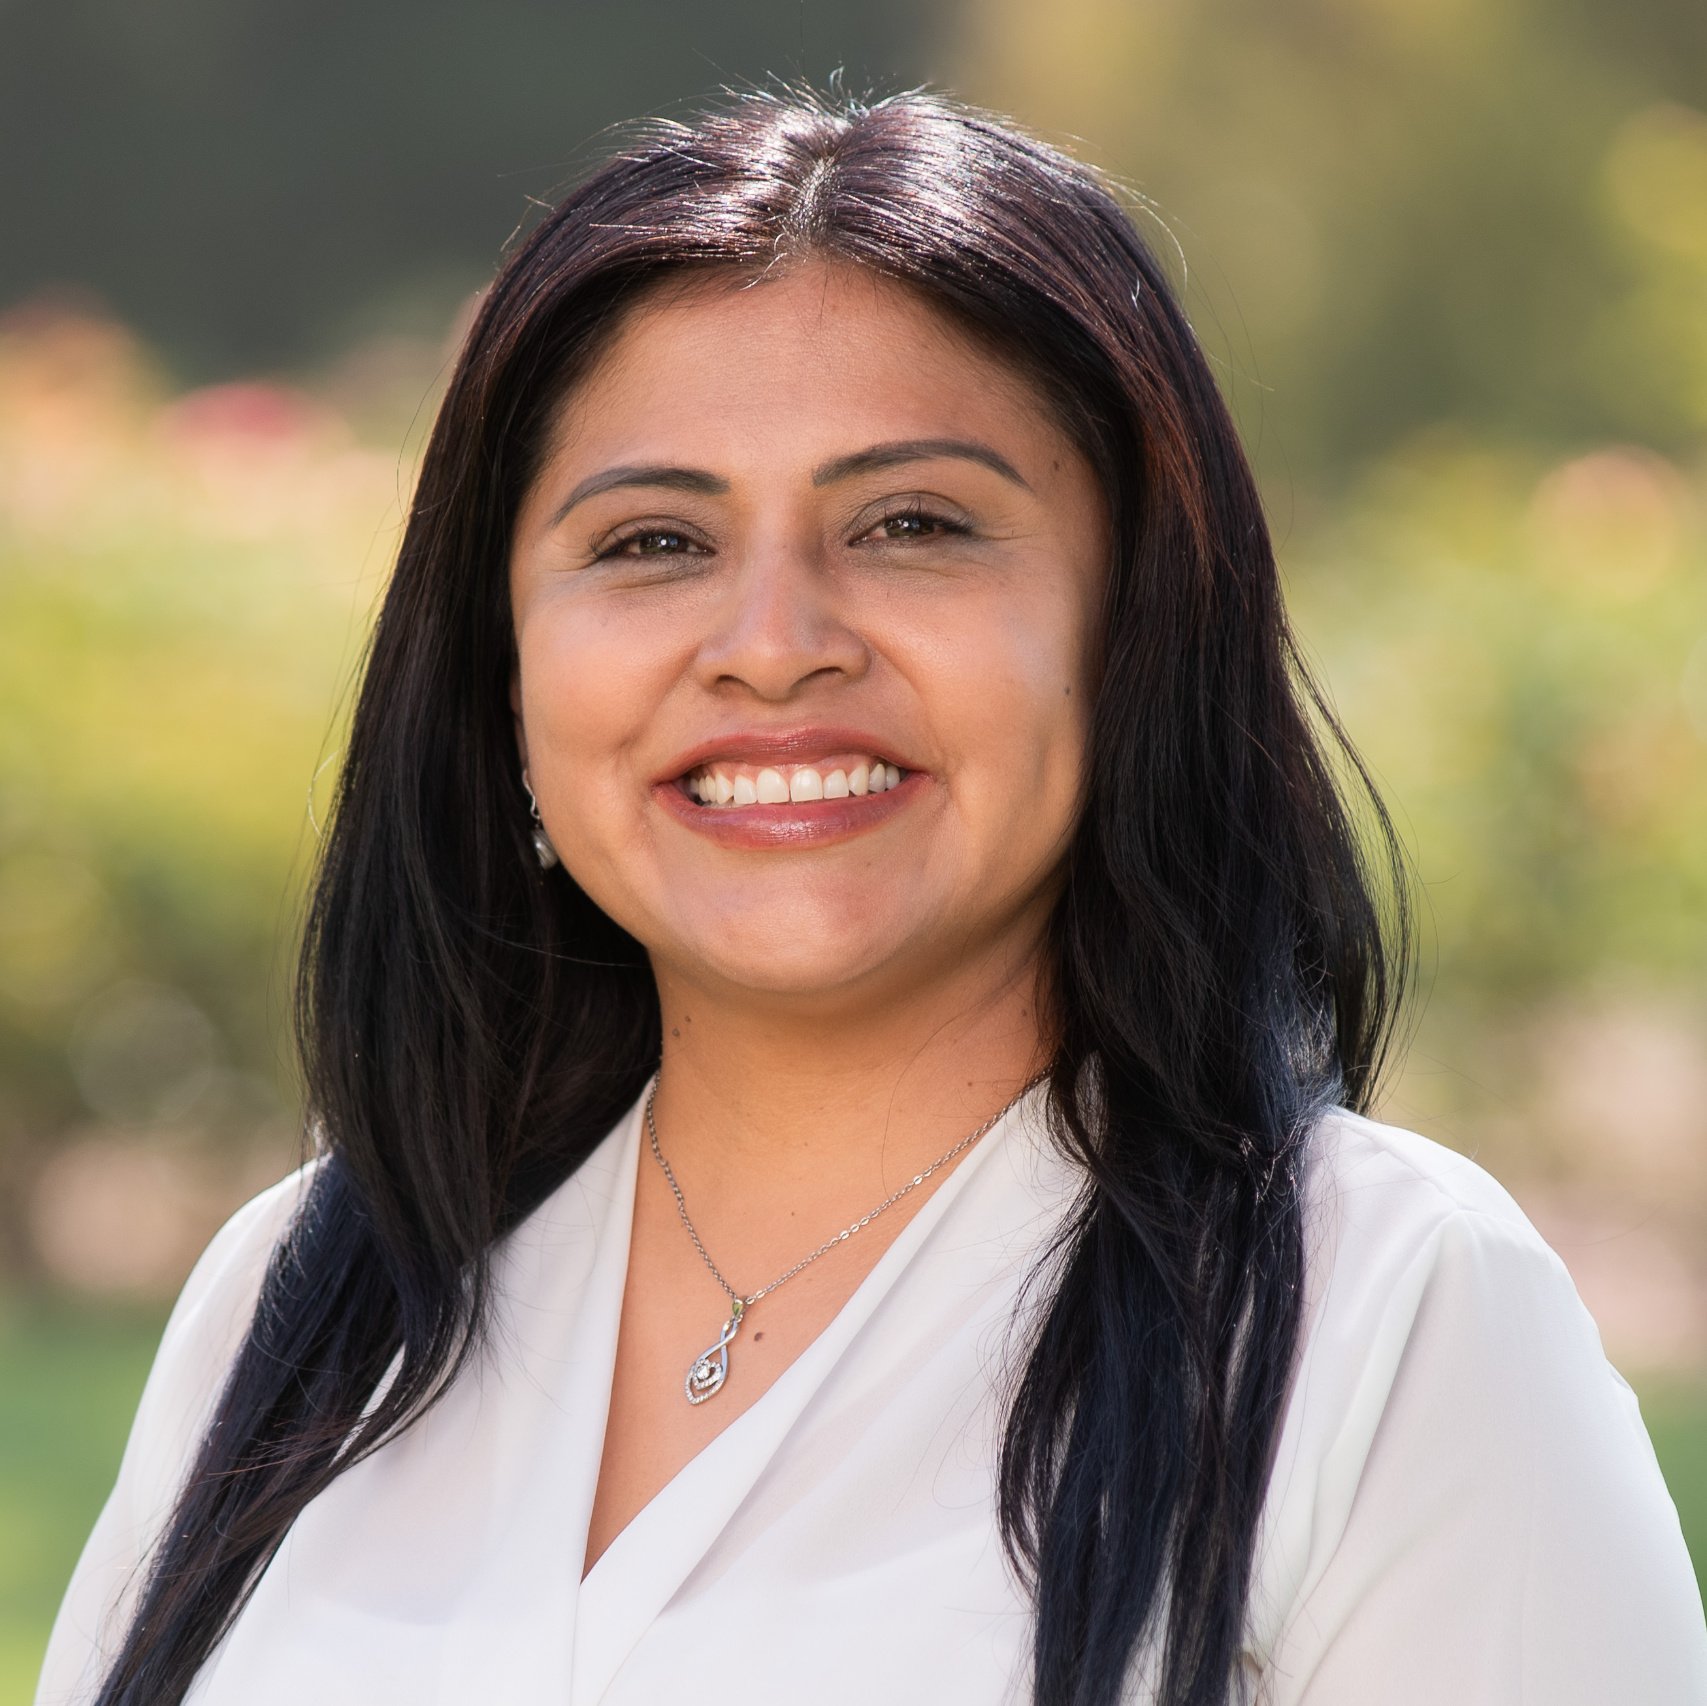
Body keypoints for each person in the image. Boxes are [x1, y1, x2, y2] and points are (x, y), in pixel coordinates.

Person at [35, 86, 1707, 1706]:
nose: (773, 642)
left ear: (1136, 629)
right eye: (651, 543)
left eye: (913, 522)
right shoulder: (314, 1294)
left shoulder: (1390, 1320)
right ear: (502, 670)